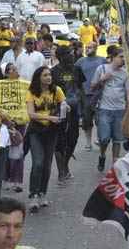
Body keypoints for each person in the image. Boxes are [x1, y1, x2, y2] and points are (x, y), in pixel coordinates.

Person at [26, 66, 66, 213]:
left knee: (47, 165)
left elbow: (64, 105)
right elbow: (31, 114)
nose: (49, 77)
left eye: (49, 75)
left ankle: (42, 193)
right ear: (39, 78)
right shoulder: (31, 93)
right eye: (45, 75)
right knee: (37, 163)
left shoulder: (57, 91)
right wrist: (49, 117)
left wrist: (65, 109)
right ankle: (33, 195)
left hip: (52, 132)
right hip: (36, 131)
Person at [91, 46, 129, 171]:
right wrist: (102, 79)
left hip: (120, 110)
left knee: (117, 139)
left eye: (124, 57)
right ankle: (102, 155)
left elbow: (128, 91)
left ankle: (115, 165)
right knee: (104, 138)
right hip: (104, 109)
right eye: (121, 57)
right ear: (113, 57)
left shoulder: (125, 73)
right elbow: (92, 87)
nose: (123, 60)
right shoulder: (101, 69)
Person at [50, 46, 80, 184]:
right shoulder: (53, 72)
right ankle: (61, 172)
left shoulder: (76, 69)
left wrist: (85, 109)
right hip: (59, 112)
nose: (72, 55)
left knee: (73, 139)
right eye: (69, 53)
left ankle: (65, 164)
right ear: (61, 56)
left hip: (75, 111)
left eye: (72, 53)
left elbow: (81, 89)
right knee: (59, 141)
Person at [0, 63, 28, 194]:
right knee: (5, 151)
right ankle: (5, 179)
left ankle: (17, 181)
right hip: (4, 124)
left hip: (19, 123)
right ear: (5, 73)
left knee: (18, 152)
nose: (16, 71)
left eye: (17, 69)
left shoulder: (24, 86)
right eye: (12, 69)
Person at [74, 41, 106, 151]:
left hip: (100, 94)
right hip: (85, 95)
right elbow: (75, 77)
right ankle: (88, 142)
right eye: (86, 47)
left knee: (100, 119)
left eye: (90, 47)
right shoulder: (80, 61)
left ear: (96, 48)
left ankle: (98, 138)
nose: (87, 49)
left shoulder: (102, 60)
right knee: (87, 120)